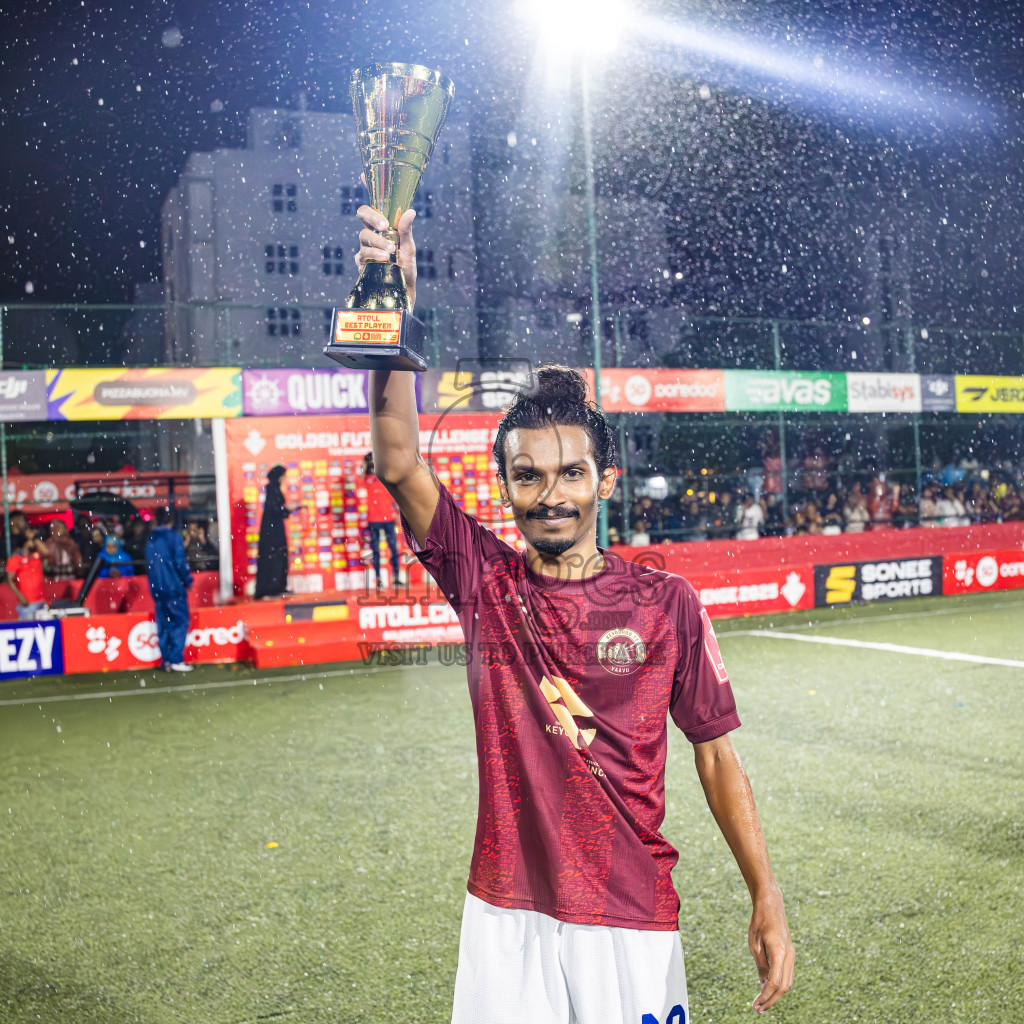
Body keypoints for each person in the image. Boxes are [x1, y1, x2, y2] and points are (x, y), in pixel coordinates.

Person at [355, 204, 794, 1022]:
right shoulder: (483, 579)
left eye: (569, 473)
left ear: (605, 482)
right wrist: (397, 307)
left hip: (628, 916)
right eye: (527, 476)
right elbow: (397, 457)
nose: (549, 494)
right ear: (507, 487)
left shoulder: (667, 604)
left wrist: (764, 893)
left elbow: (716, 757)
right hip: (505, 916)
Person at [145, 506, 194, 672]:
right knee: (179, 621)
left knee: (164, 623)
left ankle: (166, 659)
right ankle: (175, 659)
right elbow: (180, 563)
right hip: (173, 586)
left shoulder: (151, 538)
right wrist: (187, 580)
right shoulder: (173, 537)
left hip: (157, 587)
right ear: (172, 519)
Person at [254, 465, 298, 599]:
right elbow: (276, 511)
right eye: (284, 476)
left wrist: (286, 510)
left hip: (272, 530)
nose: (285, 479)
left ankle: (276, 587)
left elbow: (276, 510)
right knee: (275, 557)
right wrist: (288, 510)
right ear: (279, 476)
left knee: (276, 556)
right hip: (273, 532)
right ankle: (273, 588)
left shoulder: (273, 489)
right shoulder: (273, 489)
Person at [361, 453, 403, 589]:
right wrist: (364, 464)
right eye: (372, 461)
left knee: (393, 549)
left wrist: (397, 513)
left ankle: (396, 578)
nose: (374, 463)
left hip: (388, 519)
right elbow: (360, 477)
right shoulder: (366, 479)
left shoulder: (387, 477)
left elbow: (395, 497)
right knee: (376, 551)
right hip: (373, 520)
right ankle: (378, 579)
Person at [5, 524, 49, 620]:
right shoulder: (15, 559)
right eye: (31, 540)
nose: (33, 542)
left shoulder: (35, 555)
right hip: (28, 603)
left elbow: (47, 553)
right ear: (25, 542)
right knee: (28, 628)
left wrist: (34, 539)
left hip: (41, 600)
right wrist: (21, 597)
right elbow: (10, 580)